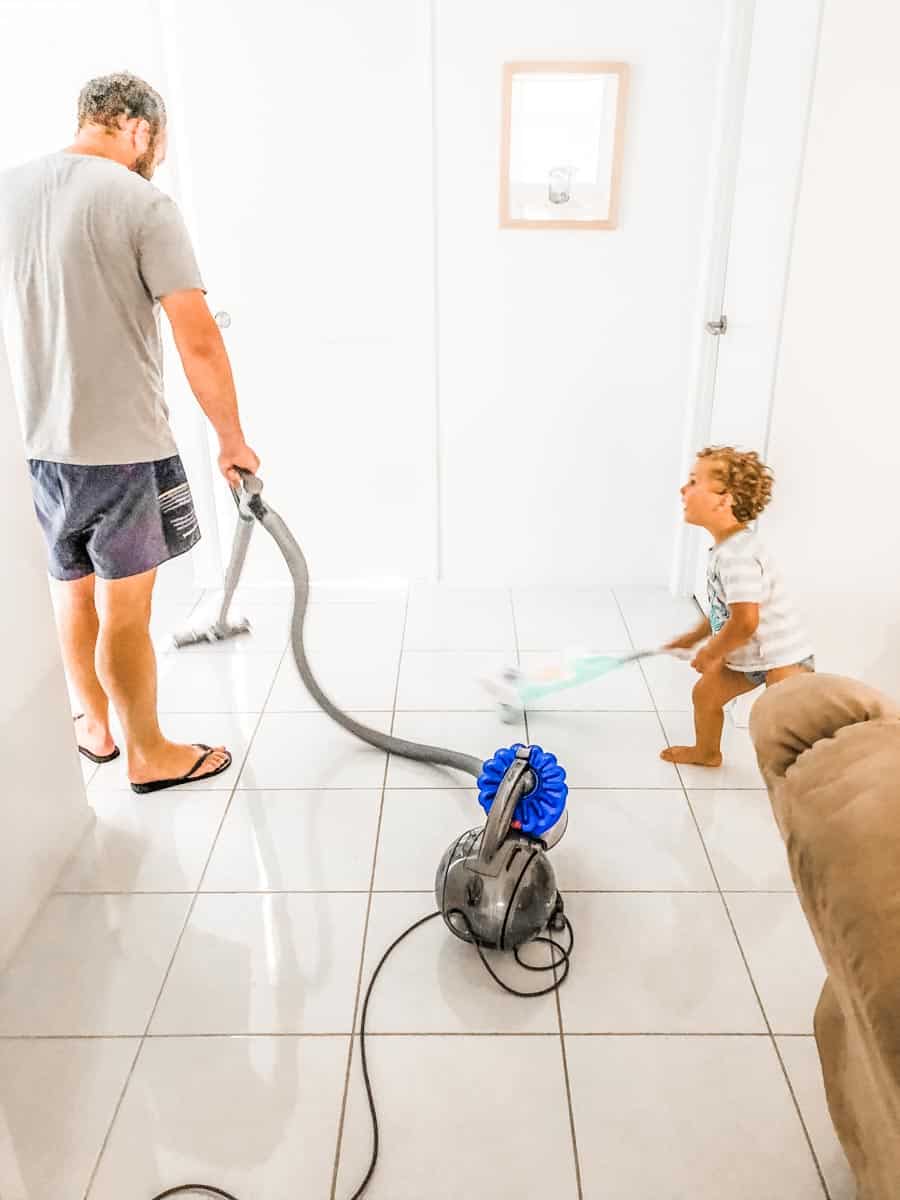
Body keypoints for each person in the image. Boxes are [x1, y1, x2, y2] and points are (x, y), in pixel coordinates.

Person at [0, 71, 259, 793]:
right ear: (139, 129)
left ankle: (95, 727)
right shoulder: (142, 204)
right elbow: (198, 338)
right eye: (158, 145)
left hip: (37, 448)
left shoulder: (9, 189)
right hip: (121, 450)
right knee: (125, 609)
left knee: (69, 593)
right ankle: (148, 752)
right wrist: (231, 440)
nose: (157, 159)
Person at [662, 446, 814, 767]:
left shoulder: (737, 556)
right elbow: (726, 611)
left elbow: (746, 620)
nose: (683, 489)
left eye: (693, 482)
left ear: (724, 498)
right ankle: (707, 752)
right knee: (706, 694)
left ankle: (811, 771)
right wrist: (694, 637)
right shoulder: (725, 549)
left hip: (781, 656)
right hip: (751, 655)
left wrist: (713, 651)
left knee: (786, 718)